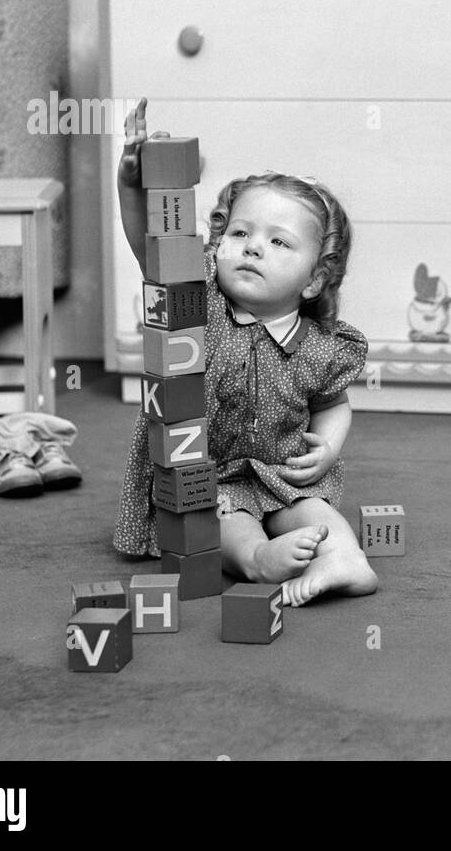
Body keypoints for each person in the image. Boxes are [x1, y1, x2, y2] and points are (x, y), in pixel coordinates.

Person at [113, 101, 378, 604]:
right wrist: (131, 184)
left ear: (314, 279)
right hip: (207, 472)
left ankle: (347, 560)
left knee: (311, 511)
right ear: (218, 242)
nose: (253, 248)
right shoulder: (201, 300)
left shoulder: (322, 345)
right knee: (221, 518)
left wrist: (327, 448)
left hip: (279, 469)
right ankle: (258, 562)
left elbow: (333, 405)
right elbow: (150, 247)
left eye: (279, 242)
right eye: (240, 233)